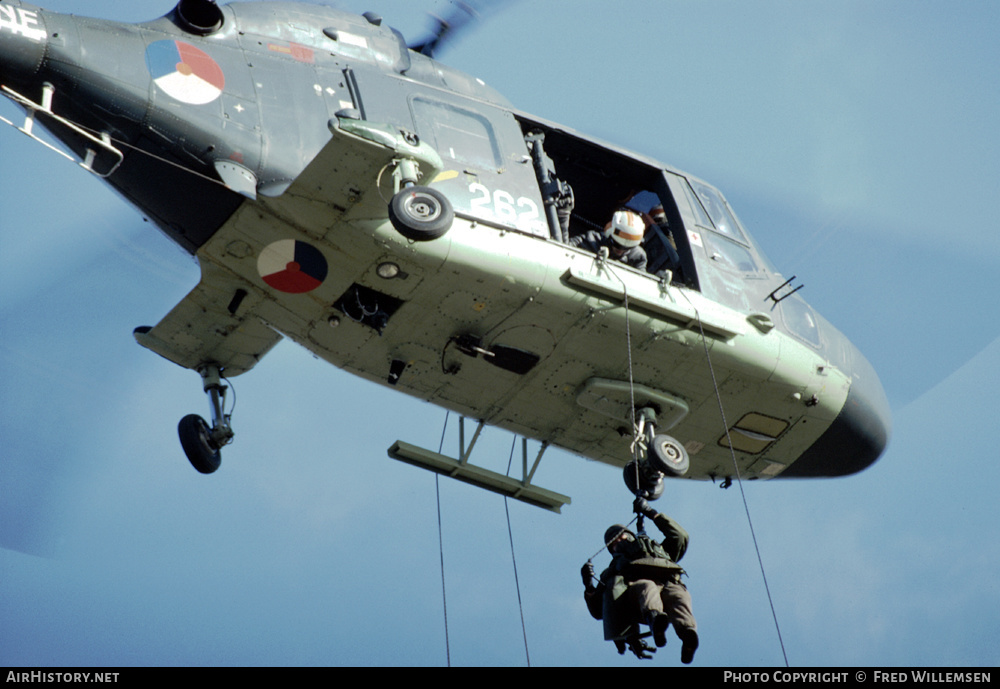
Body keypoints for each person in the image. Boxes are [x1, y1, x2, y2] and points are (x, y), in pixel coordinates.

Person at [581, 497, 699, 663]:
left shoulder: (659, 552)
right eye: (614, 543)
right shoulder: (612, 570)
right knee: (647, 586)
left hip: (668, 584)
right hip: (639, 602)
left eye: (622, 537)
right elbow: (599, 611)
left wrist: (651, 513)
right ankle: (656, 621)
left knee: (679, 596)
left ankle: (688, 635)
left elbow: (680, 536)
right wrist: (588, 584)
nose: (619, 541)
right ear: (611, 550)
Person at [569, 209, 647, 271]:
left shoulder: (638, 257)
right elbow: (563, 248)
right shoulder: (590, 239)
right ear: (609, 234)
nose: (620, 250)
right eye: (617, 245)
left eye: (626, 248)